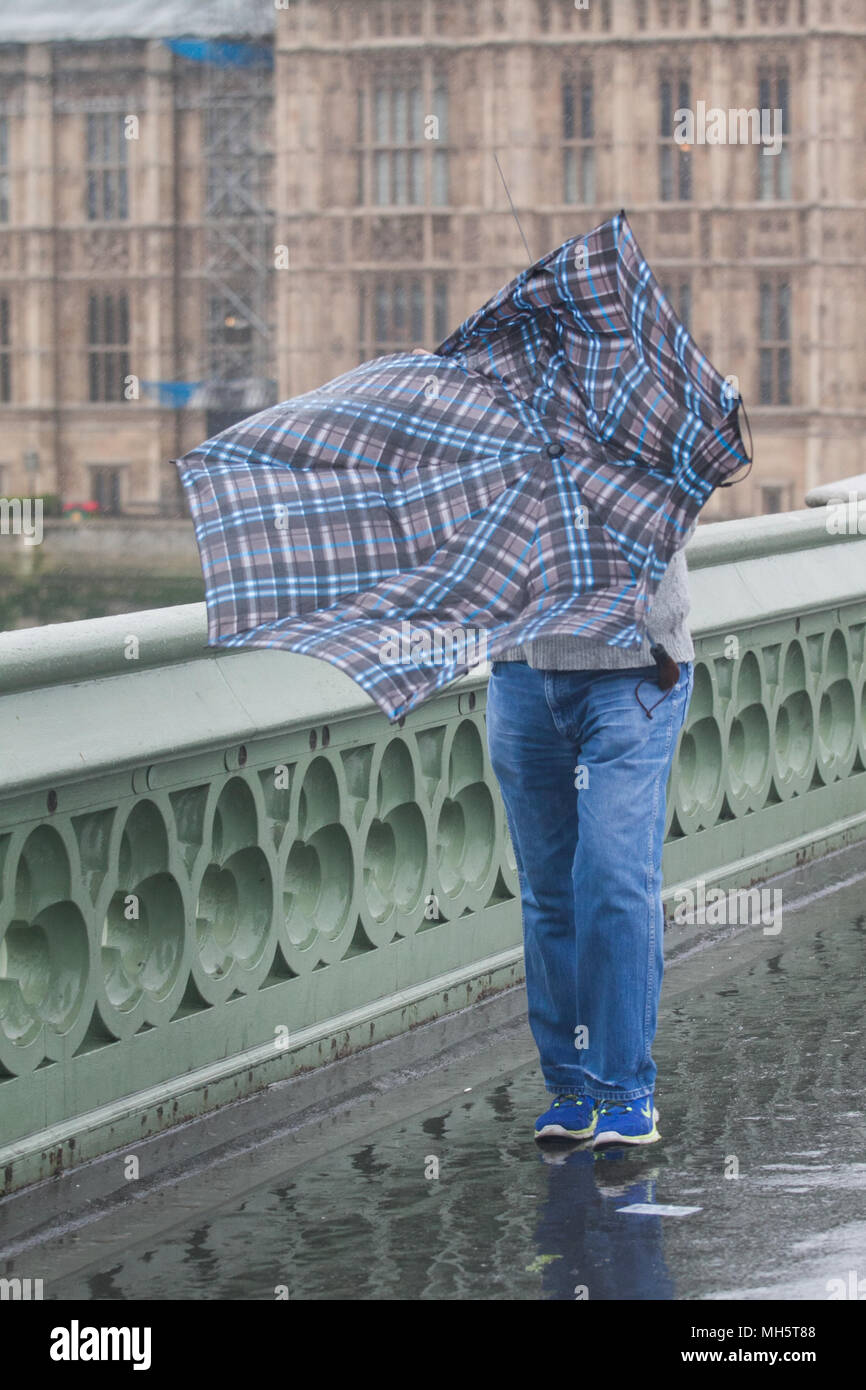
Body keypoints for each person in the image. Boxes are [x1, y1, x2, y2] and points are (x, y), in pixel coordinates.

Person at [486, 533, 695, 1146]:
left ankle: (626, 1090)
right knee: (549, 894)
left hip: (633, 669)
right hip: (521, 669)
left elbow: (673, 516)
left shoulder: (643, 430)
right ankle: (572, 1085)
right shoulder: (502, 435)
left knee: (612, 876)